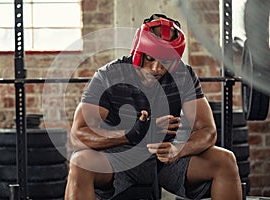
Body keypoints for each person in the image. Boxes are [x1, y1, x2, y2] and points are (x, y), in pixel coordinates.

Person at [64, 14, 242, 200]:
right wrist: (129, 134)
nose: (156, 68)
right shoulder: (109, 76)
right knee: (80, 163)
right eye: (150, 58)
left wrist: (179, 149)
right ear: (138, 53)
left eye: (165, 61)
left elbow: (208, 131)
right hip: (118, 159)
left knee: (225, 160)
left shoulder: (182, 75)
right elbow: (78, 135)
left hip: (164, 158)